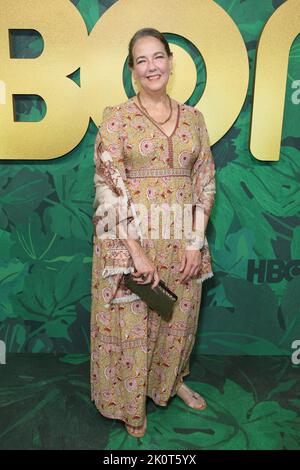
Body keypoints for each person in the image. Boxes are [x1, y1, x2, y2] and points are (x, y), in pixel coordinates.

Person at [90, 27, 216, 438]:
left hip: (182, 239)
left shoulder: (195, 119)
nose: (151, 66)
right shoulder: (116, 118)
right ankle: (130, 403)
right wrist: (137, 253)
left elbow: (206, 181)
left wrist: (196, 242)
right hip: (132, 241)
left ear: (170, 62)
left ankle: (170, 382)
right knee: (133, 322)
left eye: (158, 57)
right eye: (141, 60)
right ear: (132, 70)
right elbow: (107, 185)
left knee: (179, 315)